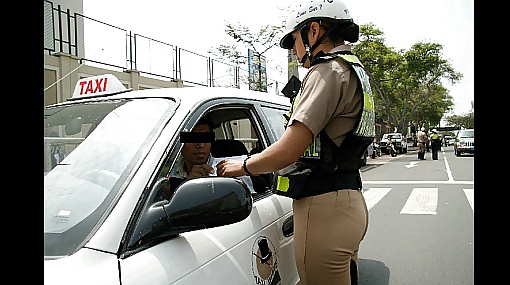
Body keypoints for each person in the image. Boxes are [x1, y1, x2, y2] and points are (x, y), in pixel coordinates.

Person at [217, 0, 375, 283]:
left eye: (294, 40)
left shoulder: (325, 71)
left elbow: (289, 150)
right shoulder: (354, 70)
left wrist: (242, 166)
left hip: (324, 211)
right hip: (350, 203)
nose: (294, 50)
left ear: (314, 31)